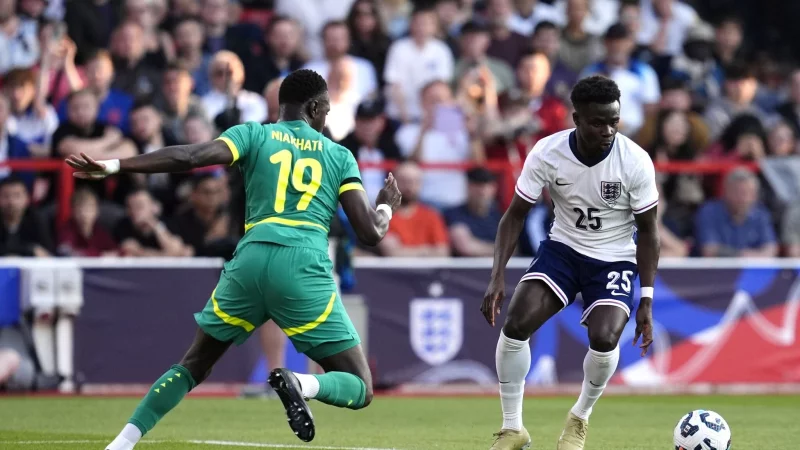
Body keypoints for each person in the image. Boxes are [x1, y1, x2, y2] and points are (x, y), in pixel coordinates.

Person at [66, 69, 402, 450]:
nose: (326, 118)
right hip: (303, 266)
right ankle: (302, 383)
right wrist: (386, 208)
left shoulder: (253, 134)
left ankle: (122, 444)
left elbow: (191, 156)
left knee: (194, 363)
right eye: (325, 110)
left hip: (251, 260)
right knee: (360, 385)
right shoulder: (339, 155)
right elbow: (370, 233)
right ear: (315, 107)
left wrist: (116, 165)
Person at [480, 76, 659, 450]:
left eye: (614, 121)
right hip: (563, 249)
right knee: (516, 322)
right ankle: (513, 429)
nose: (608, 130)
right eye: (598, 122)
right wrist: (497, 276)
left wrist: (646, 298)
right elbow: (514, 216)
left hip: (613, 260)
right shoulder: (547, 152)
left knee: (605, 336)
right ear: (576, 118)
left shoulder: (635, 161)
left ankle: (579, 419)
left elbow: (649, 231)